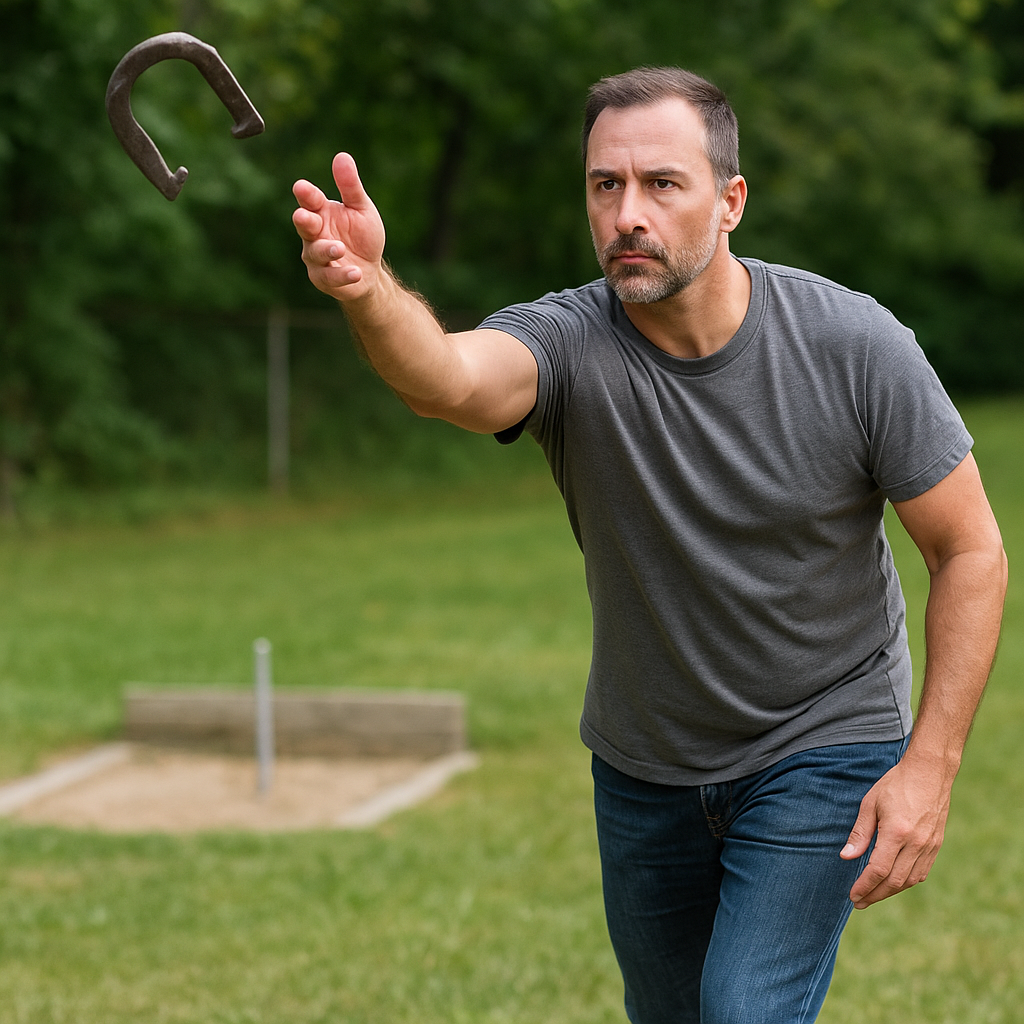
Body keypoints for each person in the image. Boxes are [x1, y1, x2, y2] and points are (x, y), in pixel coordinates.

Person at [291, 67, 1007, 1024]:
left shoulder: (853, 345)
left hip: (823, 738)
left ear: (731, 201)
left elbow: (970, 551)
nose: (628, 214)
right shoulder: (568, 341)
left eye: (662, 184)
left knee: (742, 1010)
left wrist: (930, 766)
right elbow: (448, 381)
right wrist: (367, 286)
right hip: (645, 765)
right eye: (606, 185)